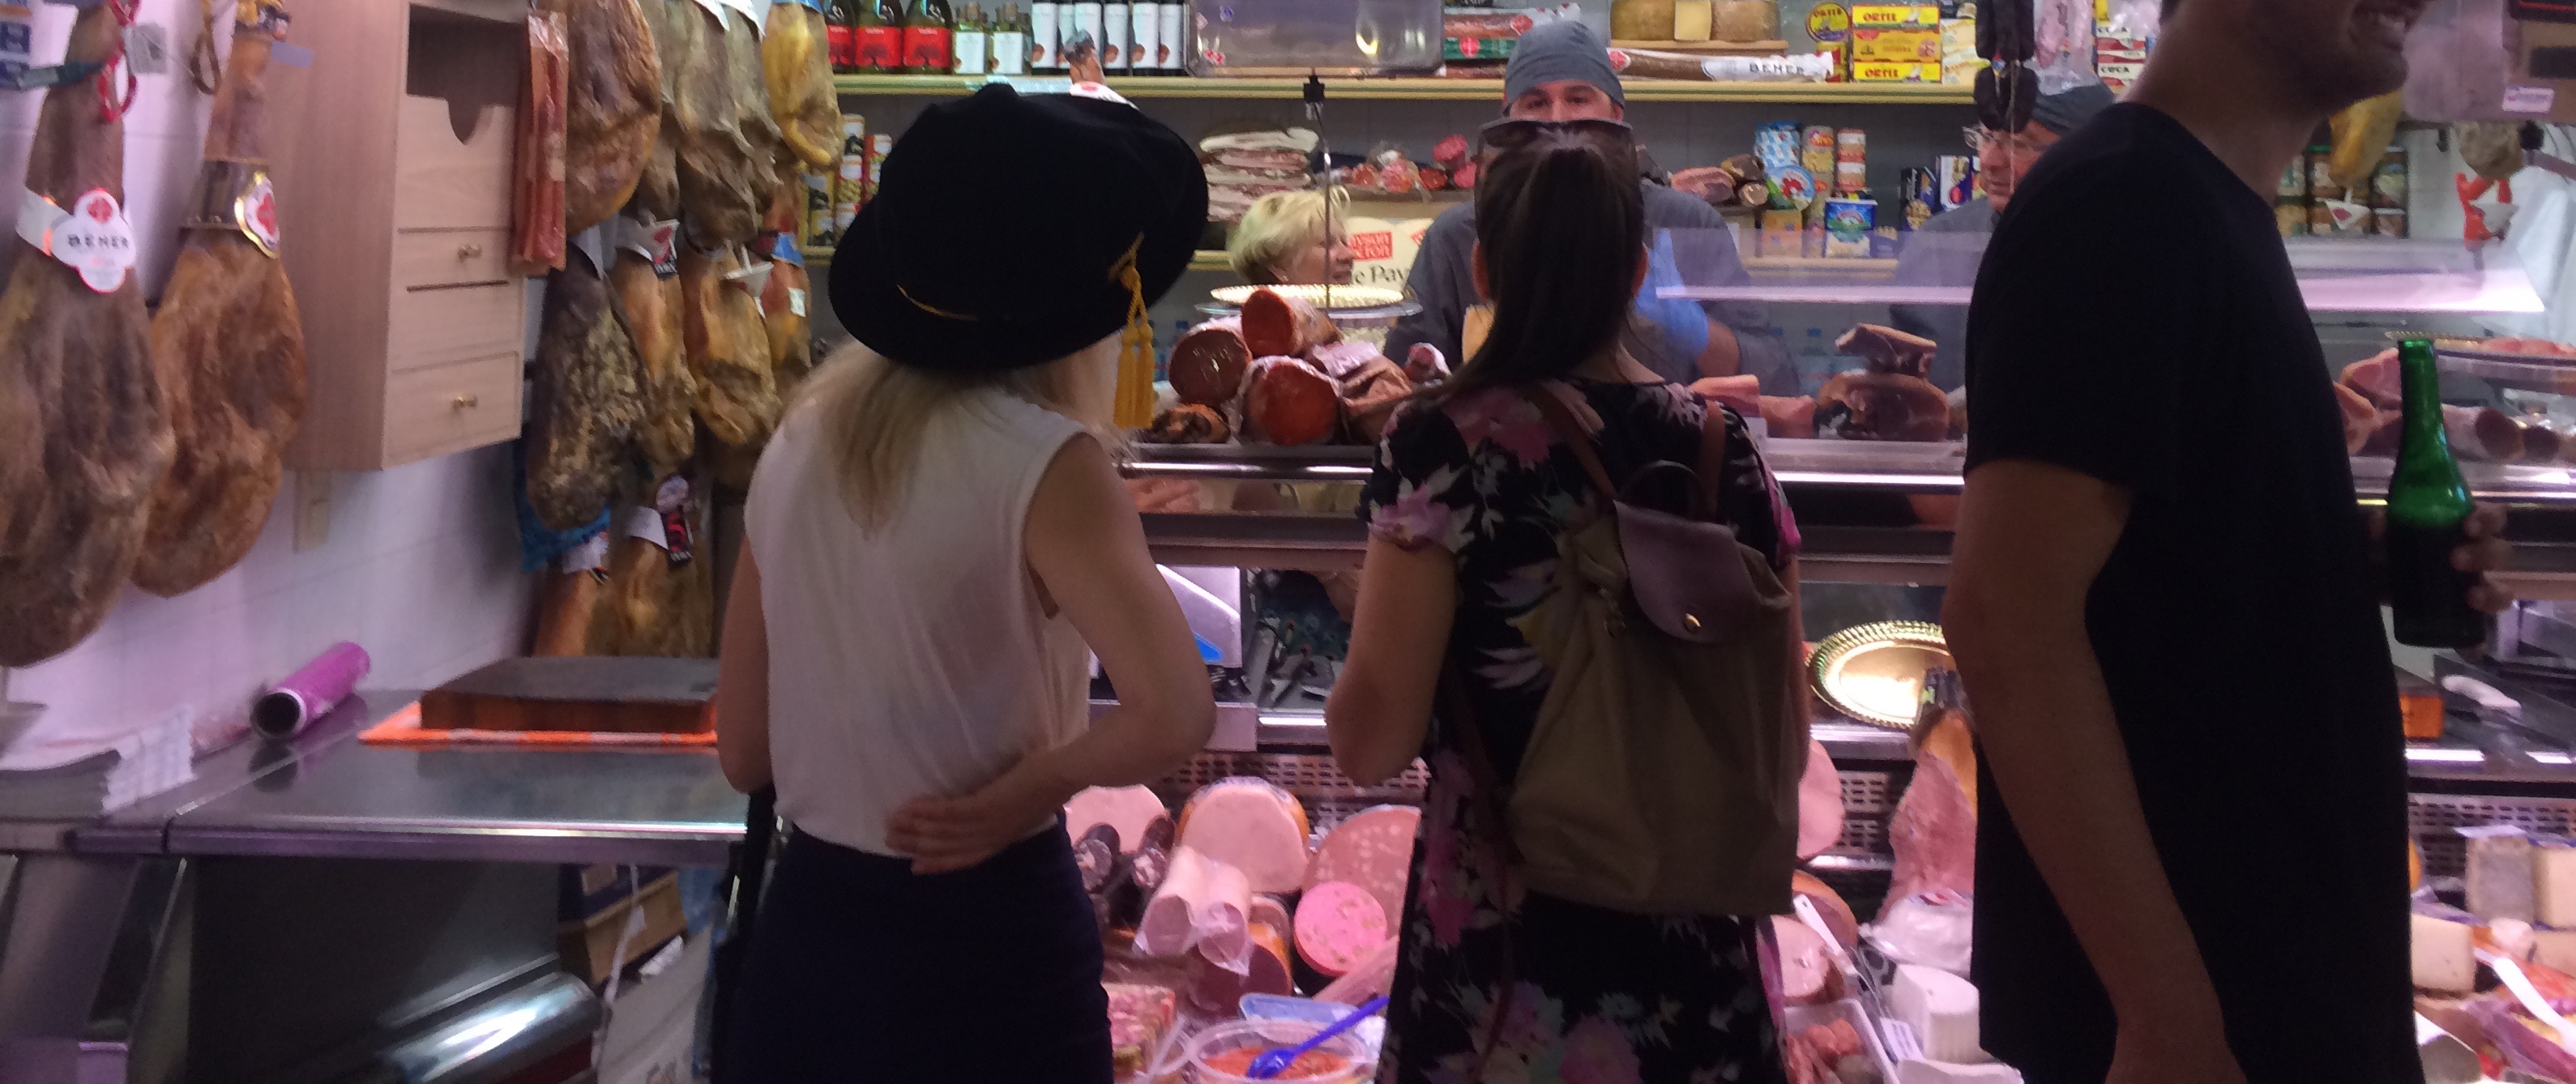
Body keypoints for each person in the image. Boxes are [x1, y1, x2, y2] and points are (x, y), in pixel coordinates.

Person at [1943, 0, 2511, 1084]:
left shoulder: (2206, 209)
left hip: (2267, 985)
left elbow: (2155, 576)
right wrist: (2163, 1009)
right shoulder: (2121, 210)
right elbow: (2004, 622)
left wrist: (2336, 559)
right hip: (2203, 1019)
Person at [716, 84, 1216, 1082]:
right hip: (986, 944)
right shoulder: (1046, 463)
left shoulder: (801, 440)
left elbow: (743, 749)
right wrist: (1029, 787)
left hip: (809, 937)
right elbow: (1176, 712)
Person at [1328, 122, 1806, 1084]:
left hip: (1504, 964)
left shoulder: (1441, 447)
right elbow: (1784, 739)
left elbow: (1370, 743)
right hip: (1696, 961)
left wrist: (1346, 596)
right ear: (1638, 277)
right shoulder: (1727, 451)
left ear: (1486, 270)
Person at [1384, 15, 1801, 394]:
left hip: (1651, 458)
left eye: (1579, 99)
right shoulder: (1458, 235)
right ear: (1508, 118)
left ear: (1616, 116)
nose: (1557, 119)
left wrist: (1693, 329)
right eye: (1535, 103)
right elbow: (1400, 381)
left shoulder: (1684, 222)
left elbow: (1775, 378)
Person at [1890, 81, 2114, 390]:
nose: (1990, 161)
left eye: (2019, 144)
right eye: (1986, 137)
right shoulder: (1941, 242)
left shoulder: (2125, 245)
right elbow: (1900, 384)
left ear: (2085, 153)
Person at [1228, 186, 1356, 287]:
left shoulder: (1361, 318)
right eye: (1328, 244)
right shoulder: (1246, 321)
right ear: (1279, 266)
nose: (1349, 255)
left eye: (1344, 243)